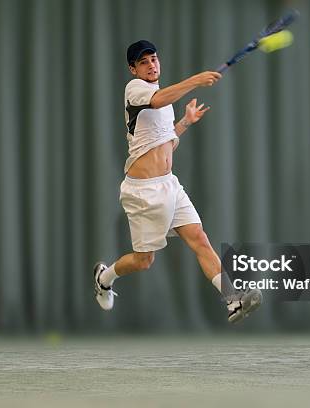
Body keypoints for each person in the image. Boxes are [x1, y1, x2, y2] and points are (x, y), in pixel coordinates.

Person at [93, 40, 262, 323]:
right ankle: (104, 277)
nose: (151, 65)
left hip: (169, 185)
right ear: (133, 68)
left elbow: (165, 146)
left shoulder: (165, 101)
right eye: (143, 62)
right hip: (143, 193)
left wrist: (184, 122)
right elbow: (158, 100)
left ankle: (233, 301)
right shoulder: (135, 90)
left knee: (200, 239)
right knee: (143, 261)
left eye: (154, 59)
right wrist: (197, 80)